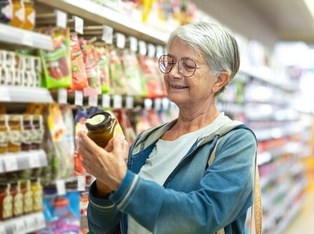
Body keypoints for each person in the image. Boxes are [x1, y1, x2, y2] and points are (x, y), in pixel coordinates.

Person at [77, 21, 257, 234]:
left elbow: (203, 216)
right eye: (170, 62)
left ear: (219, 79)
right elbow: (105, 229)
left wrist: (121, 180)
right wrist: (106, 185)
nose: (173, 73)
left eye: (188, 66)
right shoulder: (147, 141)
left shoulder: (235, 141)